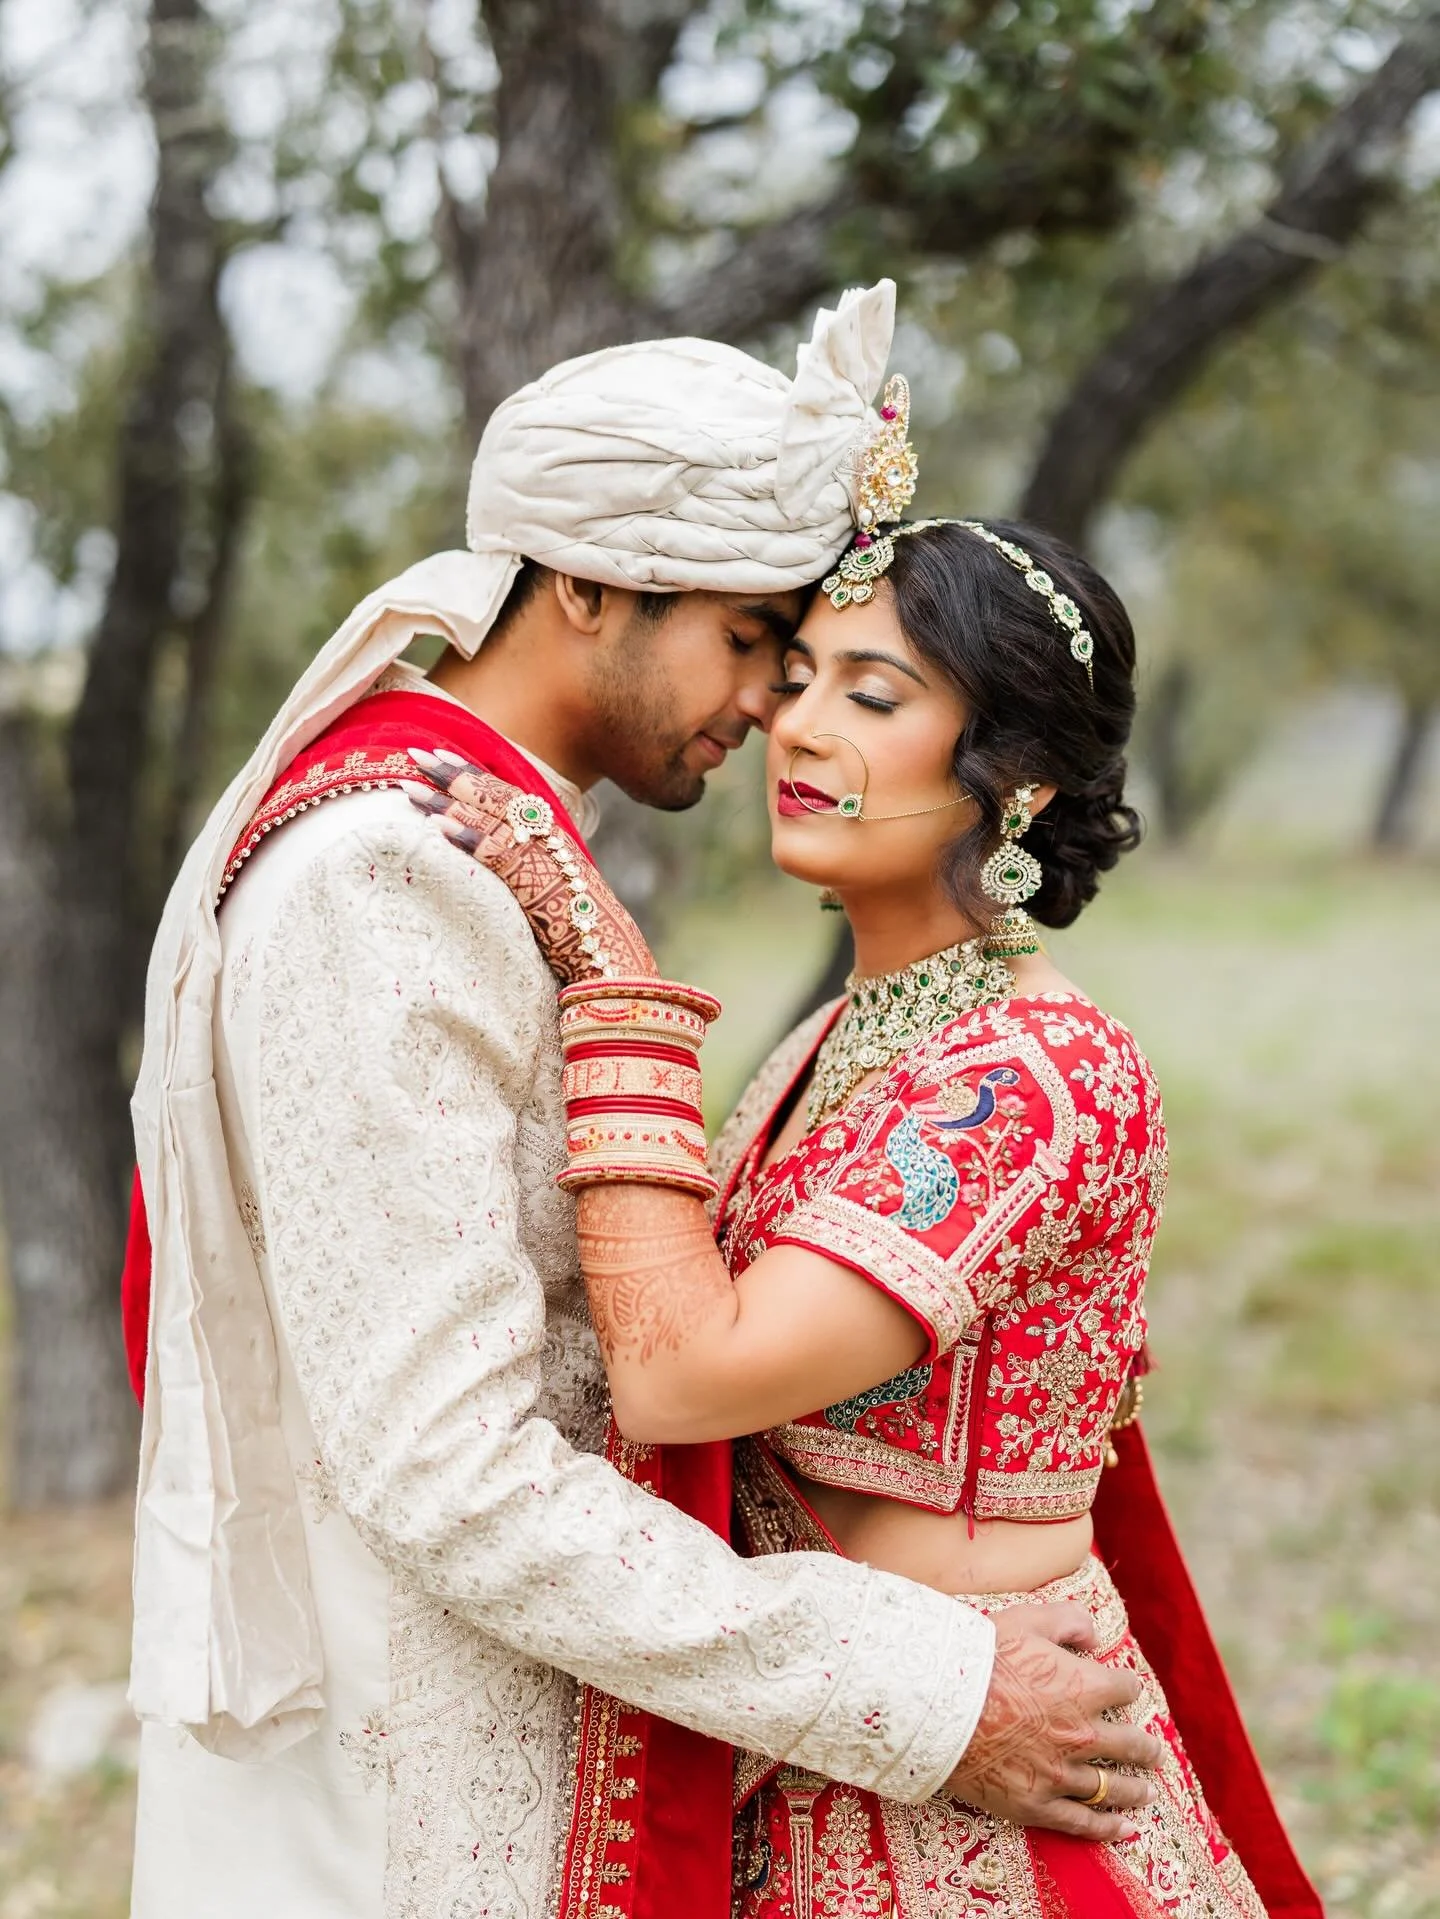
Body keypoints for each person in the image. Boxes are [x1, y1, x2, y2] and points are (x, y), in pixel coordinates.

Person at [121, 286, 1163, 1919]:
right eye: (758, 643)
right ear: (591, 584)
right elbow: (455, 1465)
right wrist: (931, 1686)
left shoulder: (496, 852)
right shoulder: (392, 873)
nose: (774, 710)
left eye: (847, 680)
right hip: (417, 1785)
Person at [412, 387, 1324, 1916]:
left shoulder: (1035, 1074)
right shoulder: (835, 1039)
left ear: (1015, 773)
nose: (799, 725)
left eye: (875, 694)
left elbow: (683, 1375)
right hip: (850, 1733)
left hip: (991, 1804)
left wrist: (607, 973)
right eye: (797, 677)